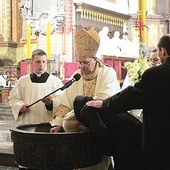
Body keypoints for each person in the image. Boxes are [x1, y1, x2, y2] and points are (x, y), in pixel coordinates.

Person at [74, 34, 170, 170]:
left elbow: (133, 96)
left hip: (161, 139)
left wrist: (104, 103)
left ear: (163, 51)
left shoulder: (156, 73)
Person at [50, 28, 121, 170]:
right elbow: (66, 102)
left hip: (98, 130)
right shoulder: (76, 76)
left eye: (86, 62)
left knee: (99, 163)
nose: (82, 66)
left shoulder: (107, 73)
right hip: (79, 137)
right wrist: (58, 123)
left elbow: (104, 99)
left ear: (95, 59)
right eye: (79, 62)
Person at [9, 49, 63, 125]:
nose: (41, 65)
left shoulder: (55, 81)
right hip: (28, 121)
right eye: (38, 62)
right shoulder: (23, 81)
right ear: (32, 63)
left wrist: (50, 102)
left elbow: (62, 100)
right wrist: (20, 106)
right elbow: (13, 98)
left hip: (48, 122)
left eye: (43, 62)